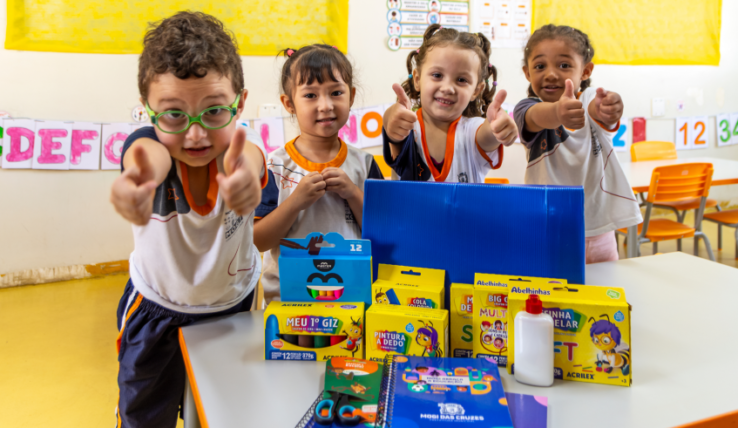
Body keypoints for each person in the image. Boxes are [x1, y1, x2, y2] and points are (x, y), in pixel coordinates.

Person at [110, 12, 267, 427]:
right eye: (174, 115)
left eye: (214, 111)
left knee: (225, 414)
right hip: (156, 309)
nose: (195, 134)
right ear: (148, 110)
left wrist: (246, 175)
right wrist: (138, 177)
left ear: (240, 103)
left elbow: (250, 157)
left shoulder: (241, 146)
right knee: (145, 416)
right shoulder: (150, 145)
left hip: (233, 307)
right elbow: (146, 156)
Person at [253, 45, 384, 303]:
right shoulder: (274, 166)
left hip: (351, 296)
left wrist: (352, 193)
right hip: (288, 300)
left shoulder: (364, 163)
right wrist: (295, 202)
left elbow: (382, 231)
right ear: (289, 103)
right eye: (310, 95)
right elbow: (257, 242)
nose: (325, 106)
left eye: (336, 93)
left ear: (351, 96)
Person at [513, 24, 641, 263]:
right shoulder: (526, 108)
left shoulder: (590, 98)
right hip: (551, 230)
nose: (551, 74)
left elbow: (596, 108)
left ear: (585, 71)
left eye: (564, 65)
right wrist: (558, 113)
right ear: (527, 73)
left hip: (600, 230)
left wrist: (609, 107)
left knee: (606, 284)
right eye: (540, 66)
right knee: (556, 287)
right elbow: (536, 117)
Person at [382, 24, 517, 183]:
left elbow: (488, 136)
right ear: (417, 79)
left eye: (461, 80)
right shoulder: (406, 126)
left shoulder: (472, 131)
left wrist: (496, 127)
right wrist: (390, 117)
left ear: (476, 90)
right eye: (437, 75)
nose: (447, 88)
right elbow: (392, 129)